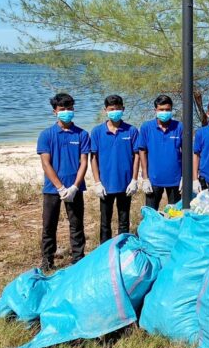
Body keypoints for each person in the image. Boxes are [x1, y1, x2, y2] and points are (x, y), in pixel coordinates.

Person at [37, 93, 90, 270]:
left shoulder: (82, 134)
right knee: (49, 225)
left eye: (69, 108)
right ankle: (47, 261)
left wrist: (74, 187)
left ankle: (78, 259)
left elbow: (84, 162)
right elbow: (46, 163)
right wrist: (60, 188)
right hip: (52, 189)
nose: (66, 112)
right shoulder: (46, 135)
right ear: (55, 111)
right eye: (62, 109)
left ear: (73, 109)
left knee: (76, 224)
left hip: (75, 188)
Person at [90, 94, 140, 244]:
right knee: (105, 221)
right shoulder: (97, 131)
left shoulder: (131, 130)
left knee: (124, 219)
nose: (115, 112)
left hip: (125, 184)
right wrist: (97, 182)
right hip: (105, 184)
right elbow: (93, 158)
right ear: (105, 110)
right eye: (111, 109)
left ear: (123, 109)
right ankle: (105, 249)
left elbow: (137, 156)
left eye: (118, 109)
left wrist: (134, 180)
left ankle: (123, 247)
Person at [137, 94, 183, 210]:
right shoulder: (146, 127)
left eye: (167, 109)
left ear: (171, 110)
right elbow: (142, 151)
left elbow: (186, 153)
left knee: (175, 214)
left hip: (175, 180)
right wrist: (145, 178)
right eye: (161, 109)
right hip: (153, 179)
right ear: (155, 110)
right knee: (151, 213)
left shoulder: (179, 127)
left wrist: (184, 177)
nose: (164, 112)